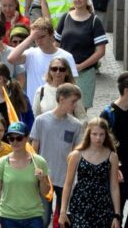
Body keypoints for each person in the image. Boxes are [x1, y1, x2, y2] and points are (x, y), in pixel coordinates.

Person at [30, 83, 83, 225]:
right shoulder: (41, 120)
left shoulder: (76, 125)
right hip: (44, 178)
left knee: (63, 219)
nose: (75, 106)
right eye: (73, 102)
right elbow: (34, 148)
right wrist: (33, 171)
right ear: (61, 99)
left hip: (65, 178)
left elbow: (76, 151)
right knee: (44, 218)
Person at [59, 117, 121, 227]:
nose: (98, 138)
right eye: (95, 134)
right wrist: (63, 211)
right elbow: (68, 184)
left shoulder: (112, 156)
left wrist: (117, 215)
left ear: (106, 135)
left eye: (102, 134)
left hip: (103, 206)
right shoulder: (77, 155)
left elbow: (114, 187)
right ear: (88, 134)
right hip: (80, 204)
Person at [55, 0, 108, 109]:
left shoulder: (95, 21)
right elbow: (55, 45)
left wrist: (80, 66)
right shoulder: (65, 17)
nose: (77, 0)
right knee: (61, 108)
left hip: (85, 73)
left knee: (80, 110)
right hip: (63, 72)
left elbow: (100, 51)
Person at [0, 121, 50, 228]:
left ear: (27, 138)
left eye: (19, 138)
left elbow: (45, 192)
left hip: (33, 216)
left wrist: (42, 179)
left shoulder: (39, 162)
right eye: (11, 138)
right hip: (8, 217)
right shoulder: (1, 163)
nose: (15, 142)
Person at [8, 17, 78, 104]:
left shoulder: (66, 56)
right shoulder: (31, 53)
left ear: (51, 35)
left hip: (57, 104)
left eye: (42, 36)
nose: (39, 40)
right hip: (34, 104)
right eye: (36, 38)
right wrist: (31, 37)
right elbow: (11, 59)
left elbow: (73, 83)